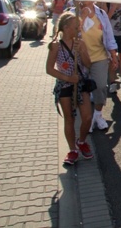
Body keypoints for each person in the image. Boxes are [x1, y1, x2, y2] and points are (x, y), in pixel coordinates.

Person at [46, 12, 94, 165]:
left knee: (87, 116)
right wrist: (67, 78)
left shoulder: (80, 43)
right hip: (65, 85)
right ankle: (72, 149)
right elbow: (49, 69)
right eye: (76, 27)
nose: (79, 30)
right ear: (66, 28)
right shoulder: (56, 46)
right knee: (70, 118)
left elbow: (88, 64)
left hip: (80, 84)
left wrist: (82, 52)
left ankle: (81, 141)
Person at [78, 0, 118, 132]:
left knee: (100, 86)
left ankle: (98, 115)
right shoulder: (73, 13)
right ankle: (87, 119)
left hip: (99, 56)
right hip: (80, 59)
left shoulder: (101, 13)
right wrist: (82, 17)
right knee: (83, 90)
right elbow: (72, 34)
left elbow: (109, 35)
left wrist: (113, 55)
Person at [107, 3, 121, 90]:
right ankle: (112, 83)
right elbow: (106, 18)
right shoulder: (108, 3)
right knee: (112, 59)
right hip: (111, 35)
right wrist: (113, 8)